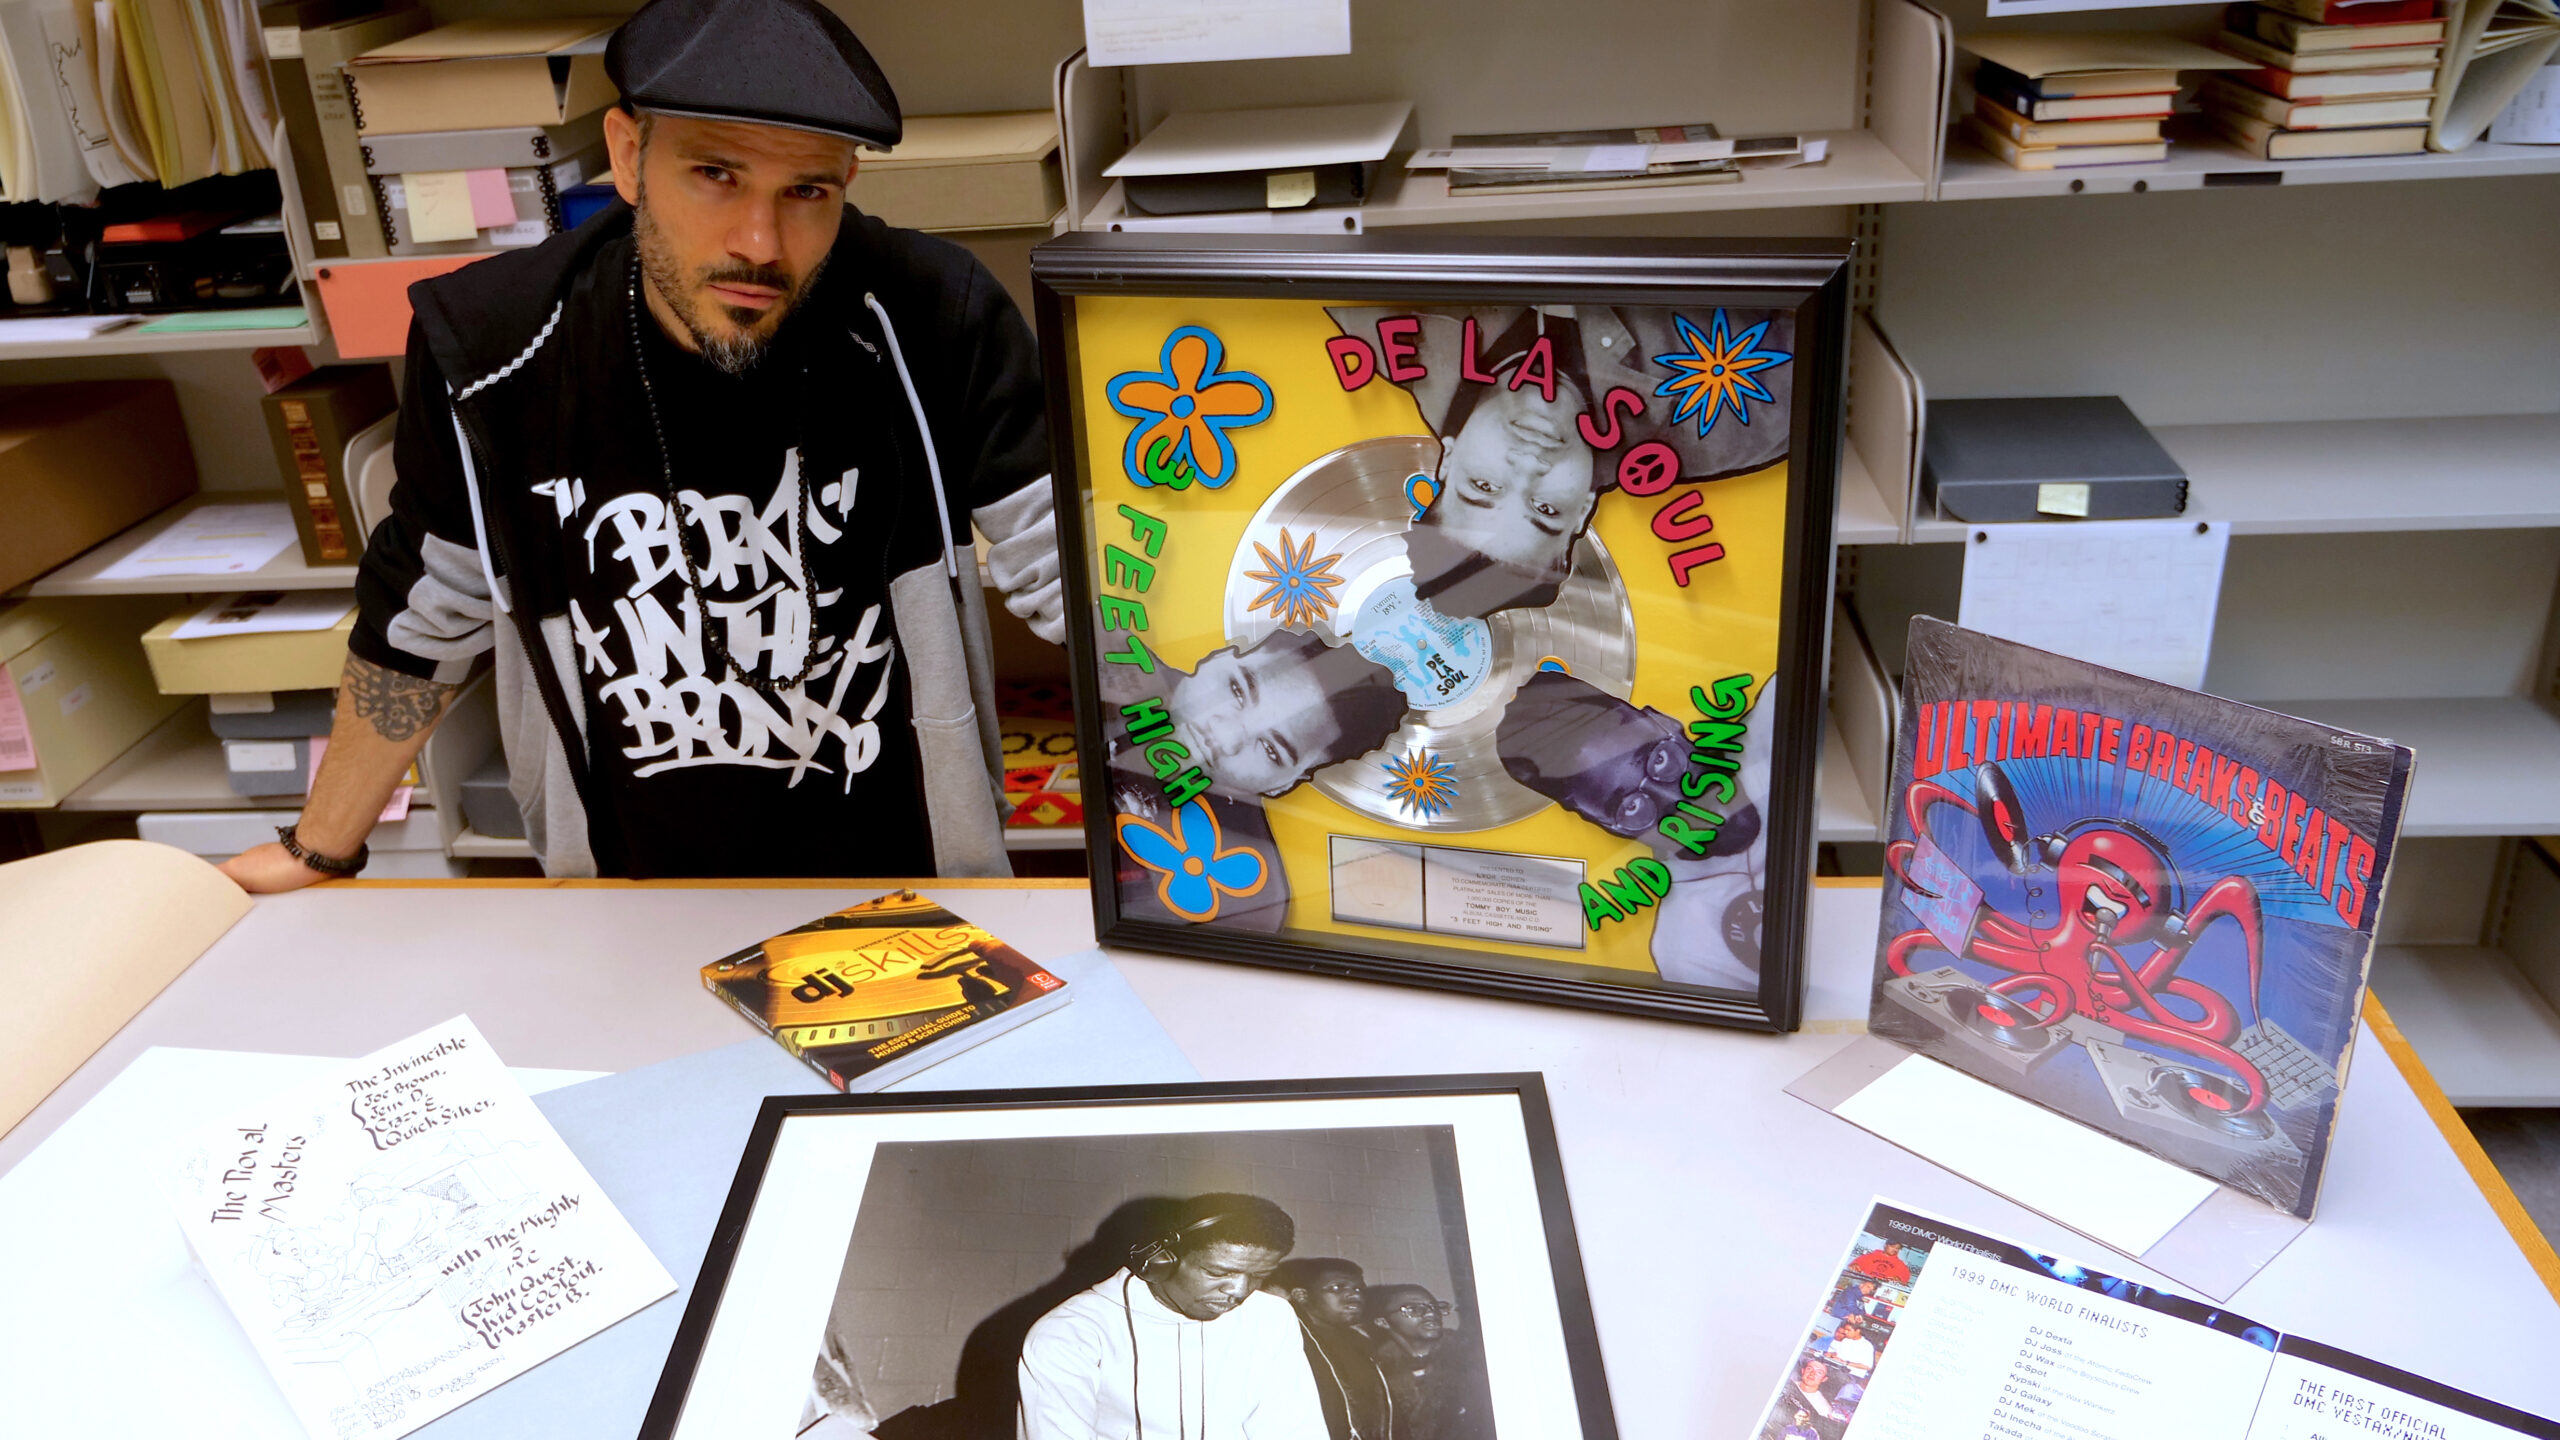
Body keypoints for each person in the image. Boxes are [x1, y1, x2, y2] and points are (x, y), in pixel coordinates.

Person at [220, 0, 1062, 890]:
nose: (759, 243)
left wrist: (1212, 792)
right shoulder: (493, 346)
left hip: (911, 878)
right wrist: (318, 848)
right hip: (625, 896)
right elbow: (422, 614)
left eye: (807, 192)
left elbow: (1073, 574)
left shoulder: (931, 315)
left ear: (848, 179)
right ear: (628, 156)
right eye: (715, 174)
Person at [1495, 670, 1776, 989]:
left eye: (1660, 760)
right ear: (1604, 823)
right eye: (1632, 806)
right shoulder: (1688, 951)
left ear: (1666, 723)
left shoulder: (1781, 725)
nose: (1675, 800)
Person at [1018, 1194, 1326, 1440]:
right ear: (1161, 1262)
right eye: (1217, 1272)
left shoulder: (1270, 1315)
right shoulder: (1072, 1331)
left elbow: (1294, 1427)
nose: (1239, 1291)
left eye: (1259, 1274)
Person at [1272, 1258, 1392, 1440]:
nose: (1355, 1296)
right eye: (1337, 1288)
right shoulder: (1286, 1342)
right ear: (1301, 1296)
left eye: (1358, 1289)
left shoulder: (1362, 1344)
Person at [1361, 1284, 1490, 1440]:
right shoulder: (1375, 1369)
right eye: (1413, 1309)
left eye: (1434, 1307)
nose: (1430, 1313)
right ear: (1383, 1322)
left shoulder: (1473, 1359)